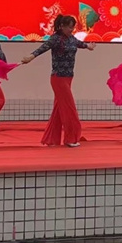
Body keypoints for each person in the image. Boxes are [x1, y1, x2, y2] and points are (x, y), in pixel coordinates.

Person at [21, 15, 95, 147]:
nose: (71, 29)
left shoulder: (71, 38)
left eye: (73, 27)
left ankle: (51, 139)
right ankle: (70, 139)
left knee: (58, 110)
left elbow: (80, 44)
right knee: (69, 108)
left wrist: (88, 46)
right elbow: (43, 48)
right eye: (69, 27)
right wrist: (31, 57)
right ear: (61, 26)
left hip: (68, 77)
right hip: (58, 78)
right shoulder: (55, 39)